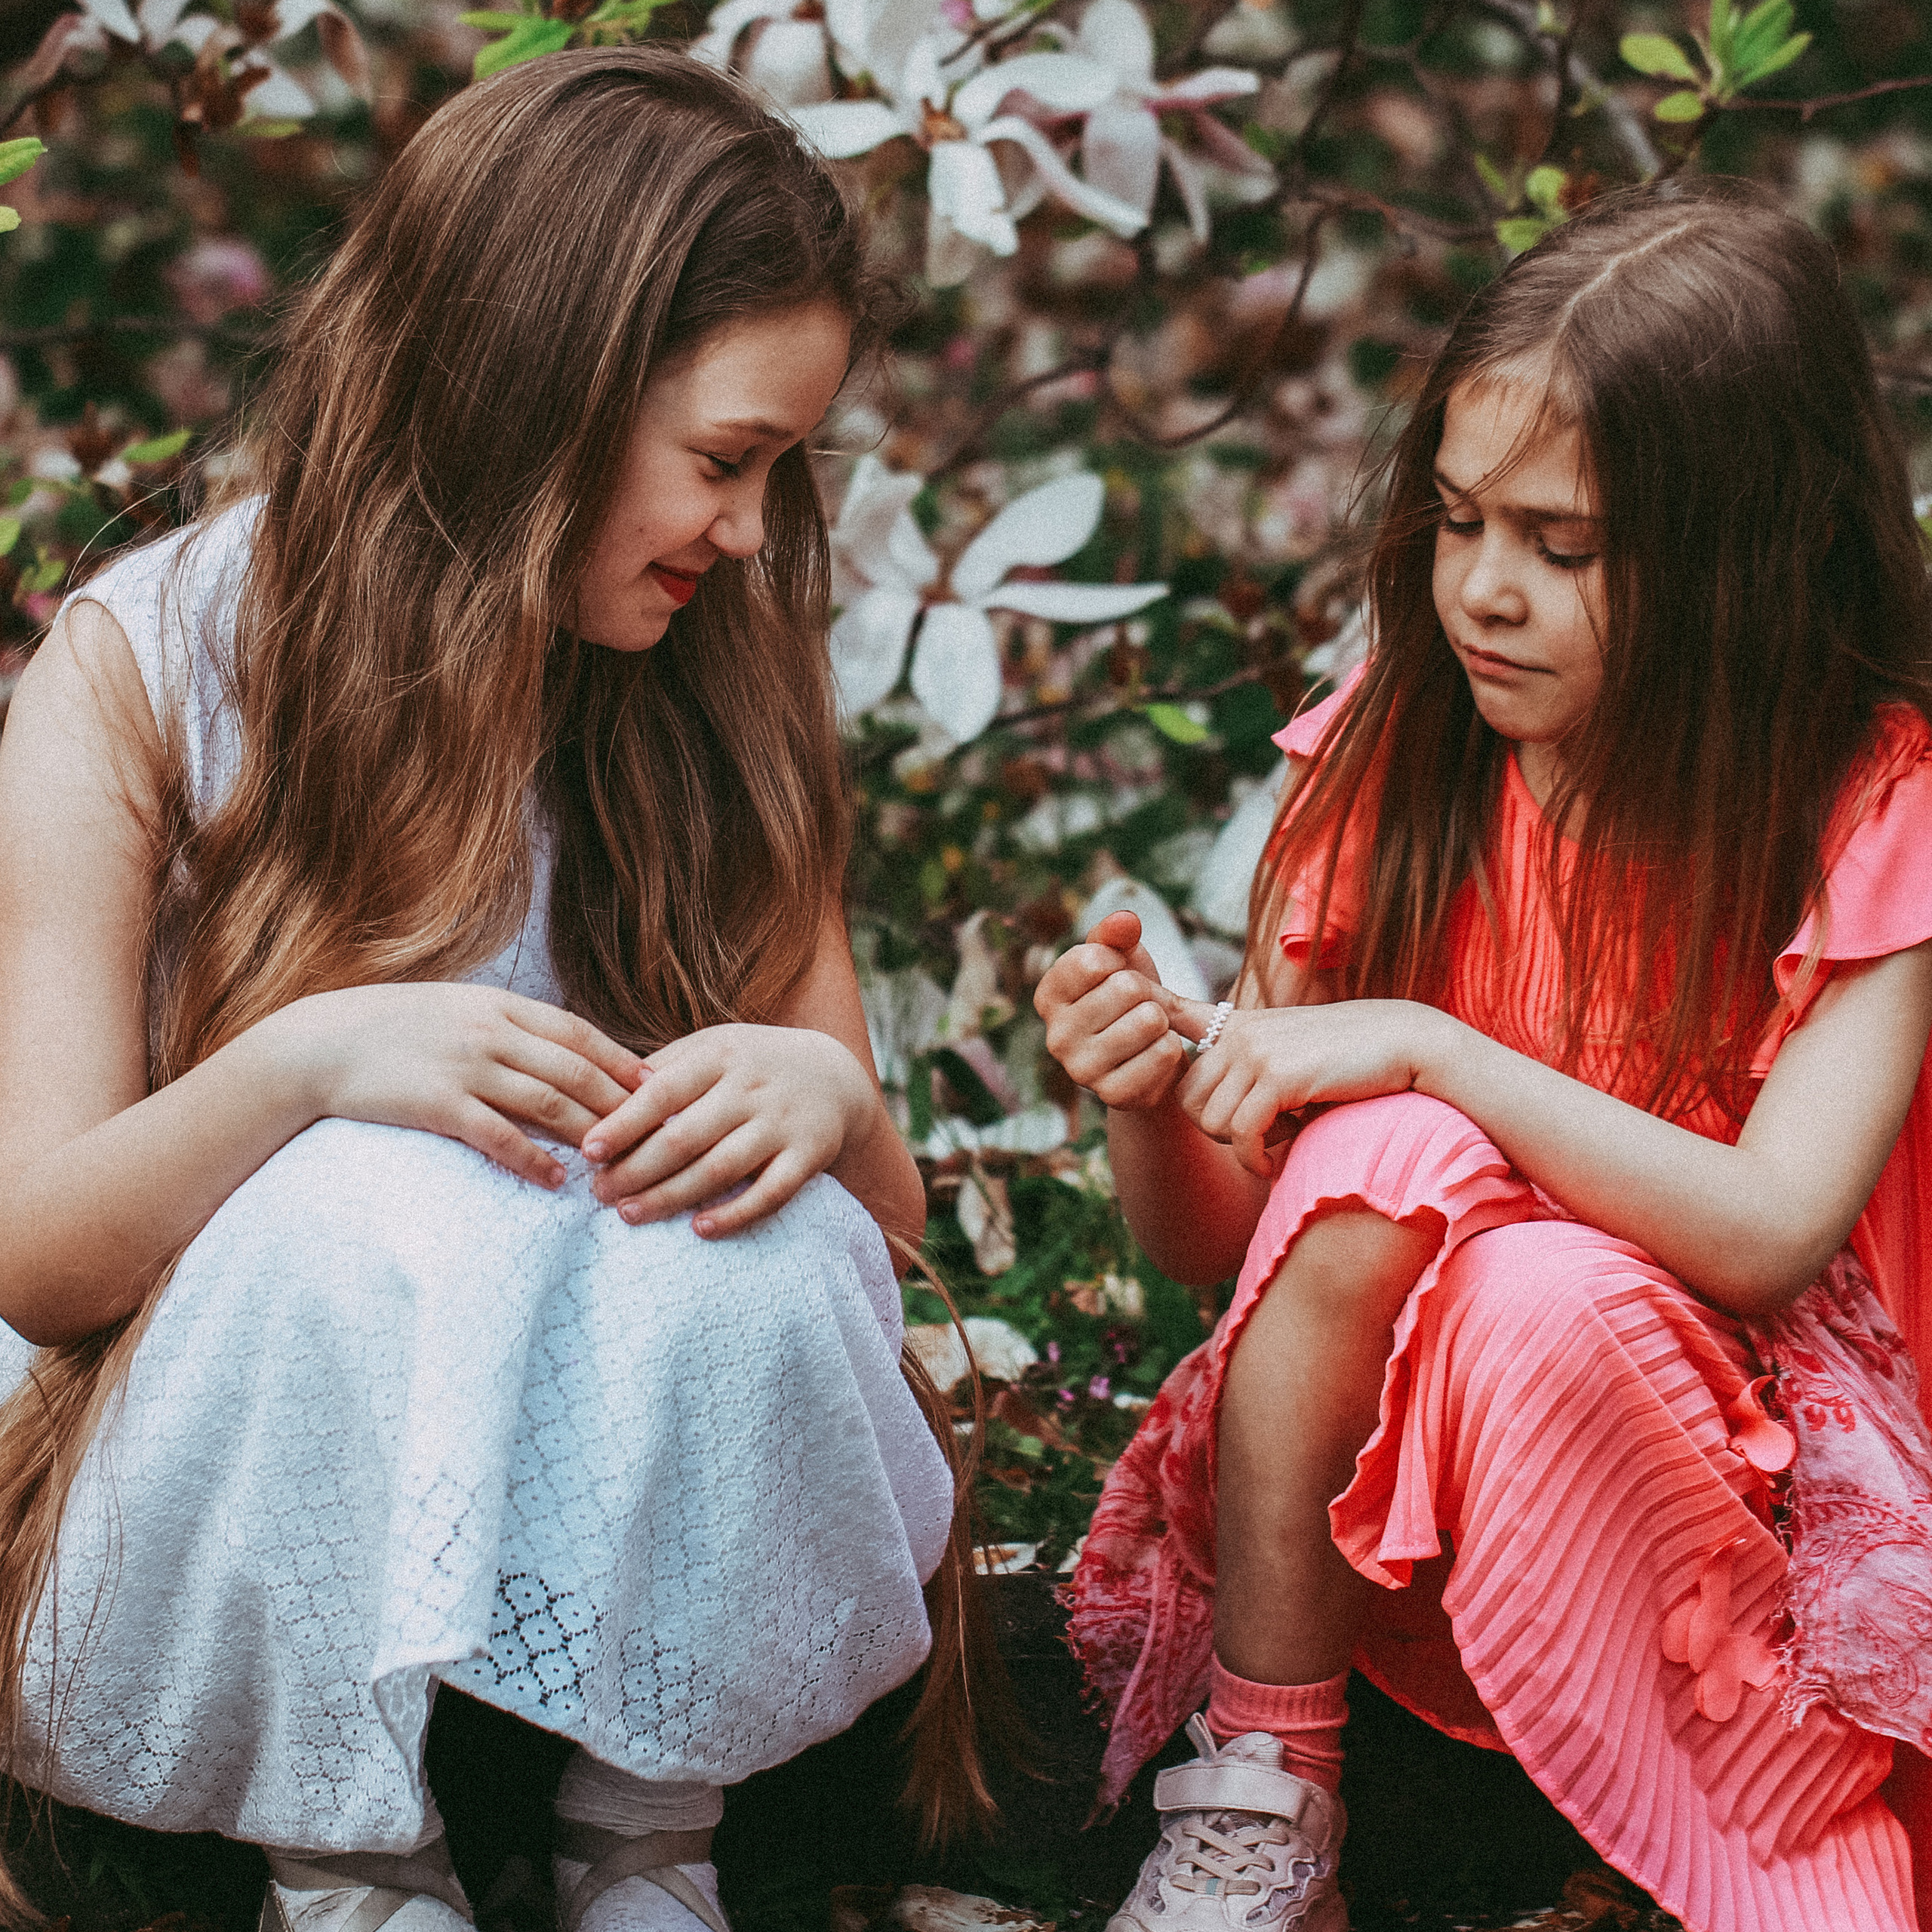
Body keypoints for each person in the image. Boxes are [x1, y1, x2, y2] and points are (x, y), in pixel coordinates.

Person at [0, 48, 974, 1932]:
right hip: (198, 1482)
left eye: (779, 467)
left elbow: (883, 1227)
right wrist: (311, 1057)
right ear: (538, 393)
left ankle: (641, 1828)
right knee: (382, 1189)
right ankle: (350, 1855)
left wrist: (827, 1100)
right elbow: (35, 1257)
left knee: (749, 1216)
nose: (751, 533)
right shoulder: (146, 671)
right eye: (722, 461)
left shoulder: (713, 691)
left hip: (591, 1505)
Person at [1036, 178, 1932, 1932]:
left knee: (1498, 1249)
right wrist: (1149, 1090)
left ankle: (1760, 1857)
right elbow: (1227, 1242)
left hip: (1737, 1534)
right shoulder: (1398, 757)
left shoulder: (1866, 805)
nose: (1483, 592)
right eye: (1454, 521)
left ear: (1749, 550)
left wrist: (1436, 1047)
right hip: (1385, 1522)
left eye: (1561, 544)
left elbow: (1765, 1226)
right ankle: (1262, 1791)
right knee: (1375, 1159)